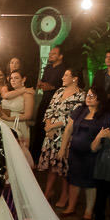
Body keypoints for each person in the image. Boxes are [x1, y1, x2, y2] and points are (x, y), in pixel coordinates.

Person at [37, 68, 84, 206]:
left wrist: (53, 126)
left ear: (75, 78)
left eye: (66, 75)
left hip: (65, 134)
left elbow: (74, 118)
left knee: (63, 166)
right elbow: (49, 110)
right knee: (52, 165)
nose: (63, 77)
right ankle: (48, 192)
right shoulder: (58, 91)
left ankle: (64, 196)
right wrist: (47, 126)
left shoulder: (80, 95)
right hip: (51, 133)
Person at [59, 89, 106, 219]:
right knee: (74, 179)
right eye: (88, 95)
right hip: (75, 151)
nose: (89, 98)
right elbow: (68, 129)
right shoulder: (79, 110)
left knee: (90, 182)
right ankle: (71, 207)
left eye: (92, 96)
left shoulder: (103, 116)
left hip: (92, 153)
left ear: (99, 99)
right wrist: (63, 148)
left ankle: (88, 211)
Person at [0, 69, 35, 145]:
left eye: (16, 78)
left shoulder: (28, 95)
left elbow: (28, 115)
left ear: (23, 79)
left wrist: (9, 119)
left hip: (17, 125)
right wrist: (23, 89)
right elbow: (6, 96)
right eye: (11, 78)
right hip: (2, 123)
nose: (13, 80)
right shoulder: (7, 90)